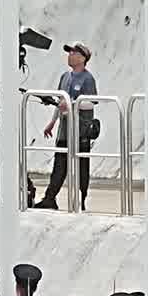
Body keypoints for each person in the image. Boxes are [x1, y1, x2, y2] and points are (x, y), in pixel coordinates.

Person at [35, 42, 100, 210]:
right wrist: (52, 122)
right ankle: (49, 199)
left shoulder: (88, 79)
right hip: (64, 130)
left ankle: (81, 201)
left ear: (83, 58)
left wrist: (72, 103)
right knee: (59, 165)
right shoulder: (65, 77)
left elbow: (92, 103)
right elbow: (60, 102)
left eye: (73, 53)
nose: (69, 55)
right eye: (69, 52)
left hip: (80, 130)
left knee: (81, 167)